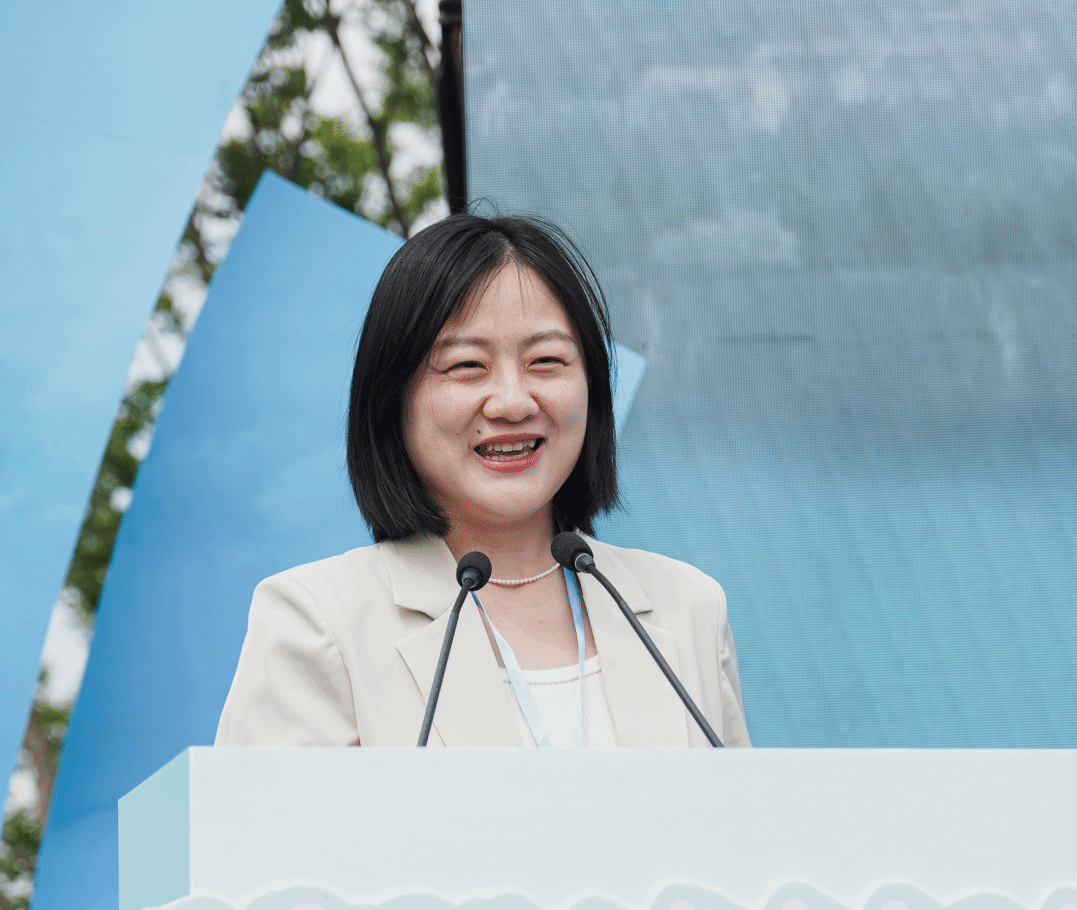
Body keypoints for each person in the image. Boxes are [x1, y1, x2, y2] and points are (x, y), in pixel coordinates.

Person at [215, 211, 750, 749]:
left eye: (546, 360)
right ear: (392, 397)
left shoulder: (690, 608)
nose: (513, 403)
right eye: (467, 365)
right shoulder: (316, 623)